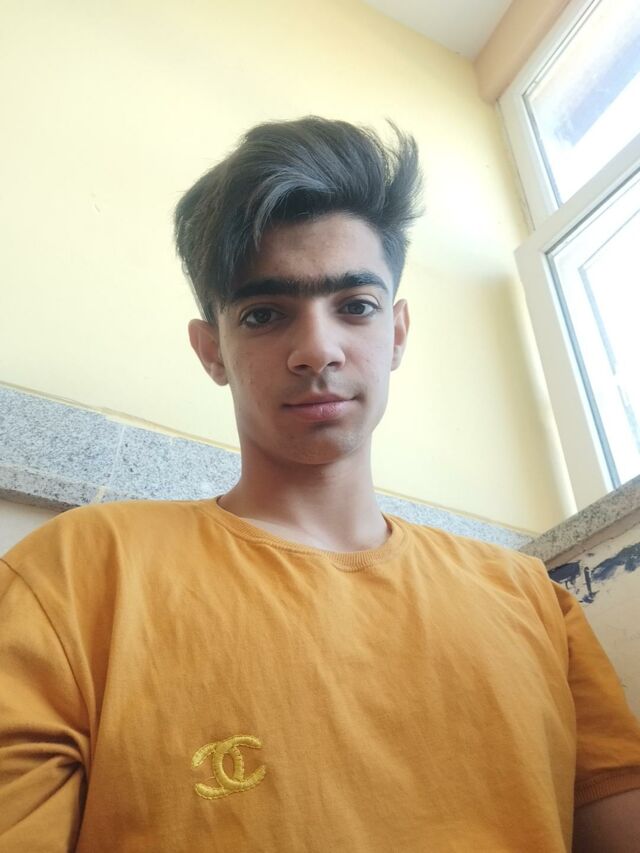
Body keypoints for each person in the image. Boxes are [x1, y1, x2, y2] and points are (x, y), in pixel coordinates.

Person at [1, 117, 639, 852]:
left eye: (355, 306)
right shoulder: (73, 575)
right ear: (211, 351)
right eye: (264, 314)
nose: (316, 350)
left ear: (396, 332)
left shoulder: (534, 600)